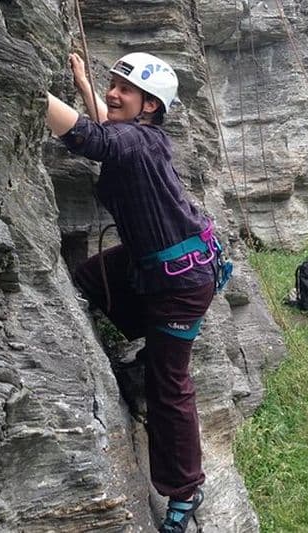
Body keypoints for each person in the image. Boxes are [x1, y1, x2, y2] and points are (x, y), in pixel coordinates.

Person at [45, 52, 216, 532]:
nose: (112, 93)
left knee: (169, 388)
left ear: (149, 107)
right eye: (111, 84)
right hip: (160, 259)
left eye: (124, 89)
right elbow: (106, 128)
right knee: (87, 277)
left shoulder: (139, 143)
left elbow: (88, 137)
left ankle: (185, 489)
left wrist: (35, 97)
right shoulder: (138, 136)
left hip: (181, 283)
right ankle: (149, 339)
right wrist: (82, 83)